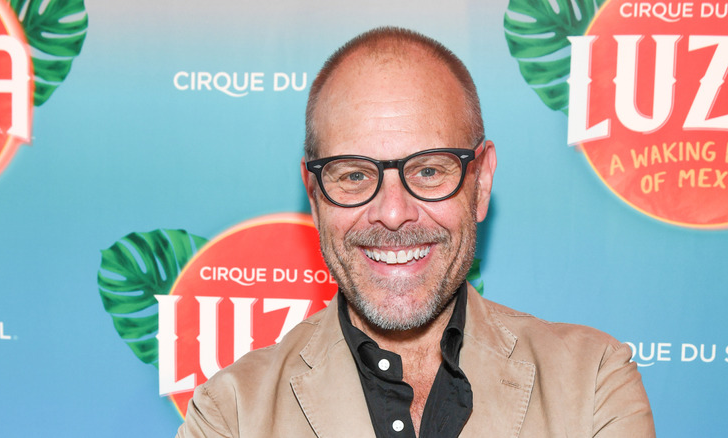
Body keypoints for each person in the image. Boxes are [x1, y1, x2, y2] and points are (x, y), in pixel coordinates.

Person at [177, 26, 655, 437]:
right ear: (315, 195)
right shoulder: (231, 414)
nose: (392, 213)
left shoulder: (592, 381)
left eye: (428, 171)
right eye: (354, 175)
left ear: (481, 181)